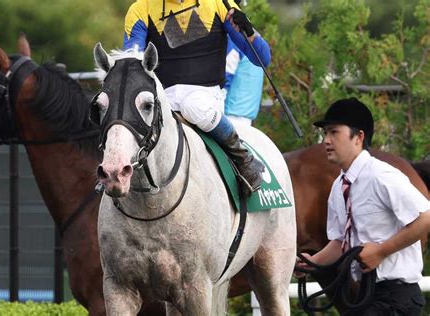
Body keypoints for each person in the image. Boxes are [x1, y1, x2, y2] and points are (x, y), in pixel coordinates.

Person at [123, 0, 271, 196]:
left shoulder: (219, 4)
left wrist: (250, 33)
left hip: (205, 98)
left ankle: (243, 158)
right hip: (161, 101)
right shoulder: (140, 9)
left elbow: (262, 58)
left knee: (192, 105)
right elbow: (133, 62)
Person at [297, 97, 430, 315]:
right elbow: (340, 241)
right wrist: (313, 262)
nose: (326, 141)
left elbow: (425, 217)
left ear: (358, 137)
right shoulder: (339, 186)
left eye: (333, 132)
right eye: (325, 133)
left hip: (397, 299)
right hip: (366, 297)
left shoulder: (382, 175)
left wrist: (381, 251)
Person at [224, 36, 263, 127]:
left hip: (229, 115)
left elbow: (225, 77)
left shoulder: (234, 39)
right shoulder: (256, 38)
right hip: (247, 117)